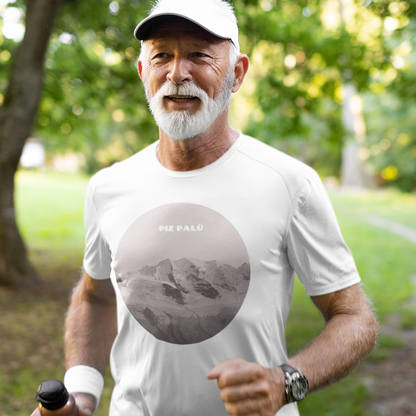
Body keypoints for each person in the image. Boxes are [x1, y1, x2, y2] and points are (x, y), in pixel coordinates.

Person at [31, 0, 378, 415]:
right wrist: (81, 395)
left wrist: (286, 382)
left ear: (236, 73)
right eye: (162, 55)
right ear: (144, 73)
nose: (178, 73)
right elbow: (96, 297)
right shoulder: (108, 187)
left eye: (199, 54)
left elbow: (355, 317)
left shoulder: (289, 183)